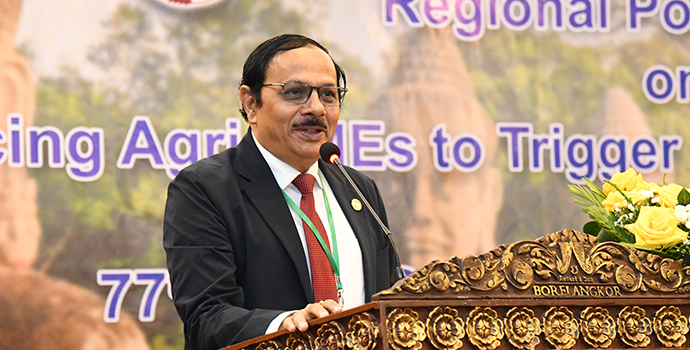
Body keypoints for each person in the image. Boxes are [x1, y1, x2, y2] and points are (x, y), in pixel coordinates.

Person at [163, 34, 398, 350]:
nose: (316, 108)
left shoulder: (360, 190)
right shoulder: (204, 189)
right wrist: (285, 325)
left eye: (328, 95)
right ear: (251, 104)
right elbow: (206, 316)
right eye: (296, 93)